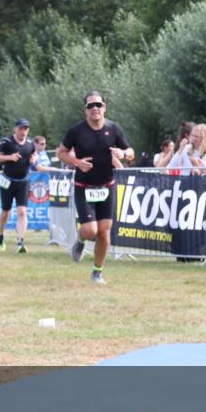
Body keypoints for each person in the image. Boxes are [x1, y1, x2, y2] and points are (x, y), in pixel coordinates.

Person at [57, 91, 133, 284]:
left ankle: (97, 272)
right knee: (90, 230)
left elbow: (131, 152)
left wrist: (123, 154)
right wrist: (77, 162)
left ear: (104, 107)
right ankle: (80, 240)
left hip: (107, 186)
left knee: (104, 231)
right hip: (84, 186)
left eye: (98, 105)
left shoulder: (113, 129)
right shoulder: (76, 131)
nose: (95, 109)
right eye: (90, 106)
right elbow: (61, 152)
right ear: (85, 110)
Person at [0, 119, 44, 253]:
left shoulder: (30, 144)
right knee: (6, 212)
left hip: (23, 182)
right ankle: (0, 235)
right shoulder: (6, 142)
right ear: (15, 129)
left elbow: (34, 154)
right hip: (7, 181)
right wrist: (9, 157)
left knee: (22, 211)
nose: (23, 131)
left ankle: (20, 242)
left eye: (26, 128)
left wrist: (34, 159)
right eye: (21, 128)